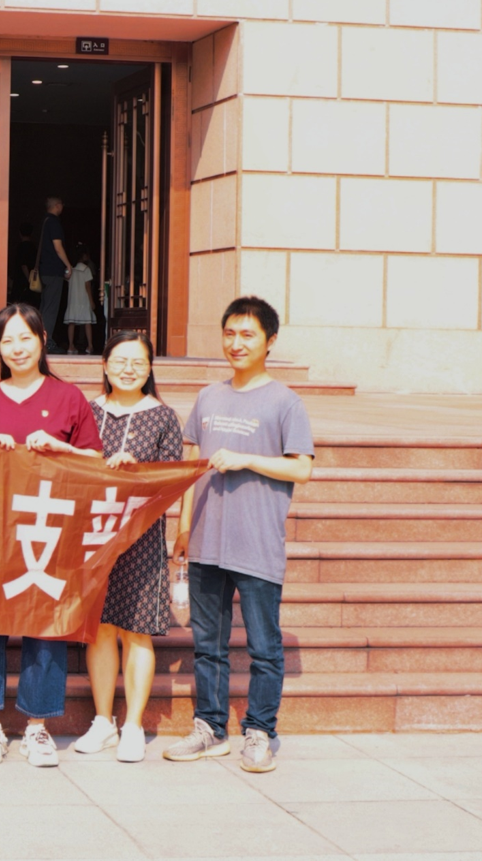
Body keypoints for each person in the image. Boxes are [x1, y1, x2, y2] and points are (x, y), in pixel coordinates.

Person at [165, 297, 313, 774]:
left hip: (256, 542)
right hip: (206, 539)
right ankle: (210, 728)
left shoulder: (285, 402)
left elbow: (302, 469)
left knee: (264, 648)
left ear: (270, 341)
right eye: (229, 333)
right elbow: (192, 466)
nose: (236, 343)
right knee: (207, 644)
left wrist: (246, 459)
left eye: (248, 335)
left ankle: (259, 731)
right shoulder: (209, 397)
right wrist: (183, 528)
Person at [0, 303, 101, 768]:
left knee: (45, 624)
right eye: (7, 340)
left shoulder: (69, 398)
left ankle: (37, 726)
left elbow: (95, 462)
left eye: (25, 338)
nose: (17, 348)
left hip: (49, 529)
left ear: (42, 339)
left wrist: (60, 447)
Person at [71, 331, 187, 763]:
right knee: (100, 627)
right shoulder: (87, 410)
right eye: (119, 360)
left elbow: (172, 479)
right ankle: (103, 721)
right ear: (104, 365)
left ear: (150, 368)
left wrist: (137, 471)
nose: (128, 369)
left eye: (138, 362)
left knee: (136, 630)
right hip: (94, 535)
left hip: (141, 536)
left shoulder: (163, 417)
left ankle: (134, 725)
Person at [36, 197, 71, 352]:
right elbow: (58, 247)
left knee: (44, 306)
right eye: (62, 204)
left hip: (44, 270)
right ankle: (46, 341)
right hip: (53, 271)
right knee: (51, 308)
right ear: (57, 206)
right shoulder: (54, 222)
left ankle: (39, 338)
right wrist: (68, 265)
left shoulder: (44, 221)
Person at [64, 246, 97, 355]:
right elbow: (88, 286)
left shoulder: (70, 270)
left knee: (71, 322)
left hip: (73, 299)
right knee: (87, 322)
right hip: (84, 299)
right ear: (83, 256)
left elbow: (66, 280)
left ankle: (70, 346)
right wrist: (91, 301)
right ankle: (90, 346)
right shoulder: (86, 269)